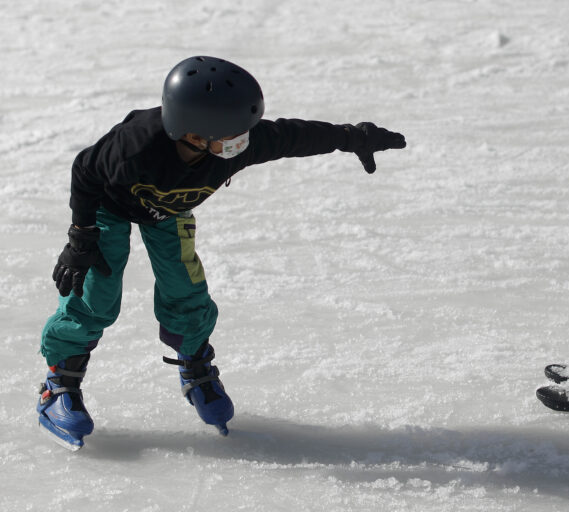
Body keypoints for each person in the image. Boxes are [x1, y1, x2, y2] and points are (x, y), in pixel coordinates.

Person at [36, 55, 406, 450]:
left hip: (168, 212)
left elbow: (294, 136)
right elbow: (86, 171)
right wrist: (82, 236)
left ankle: (195, 365)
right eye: (231, 139)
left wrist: (353, 137)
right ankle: (60, 383)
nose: (242, 145)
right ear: (191, 133)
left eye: (243, 135)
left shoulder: (237, 142)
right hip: (108, 207)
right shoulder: (136, 145)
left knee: (187, 290)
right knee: (97, 297)